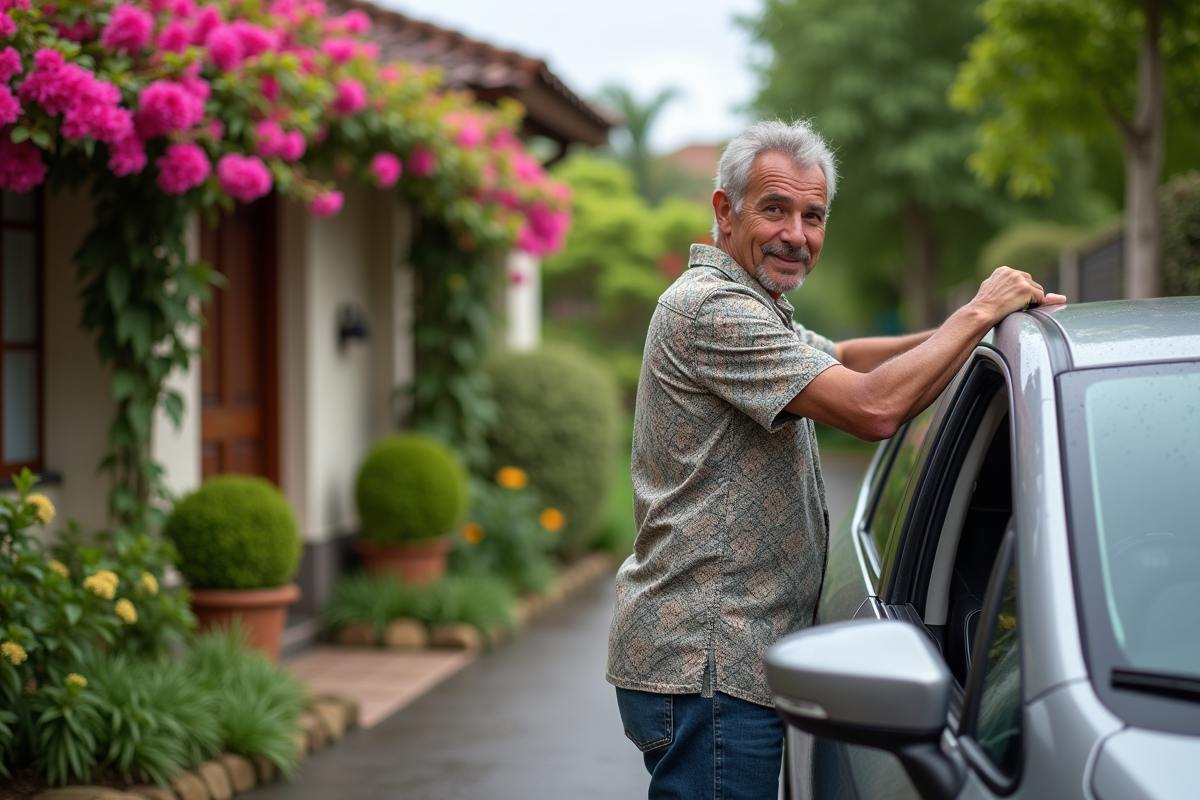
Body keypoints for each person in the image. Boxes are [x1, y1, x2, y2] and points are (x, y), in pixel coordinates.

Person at [605, 119, 1064, 800]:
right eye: (775, 209)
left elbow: (845, 358)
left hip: (722, 667)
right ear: (724, 212)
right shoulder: (713, 311)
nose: (797, 233)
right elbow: (873, 408)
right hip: (711, 667)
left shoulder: (754, 305)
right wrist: (975, 317)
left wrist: (986, 326)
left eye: (813, 215)